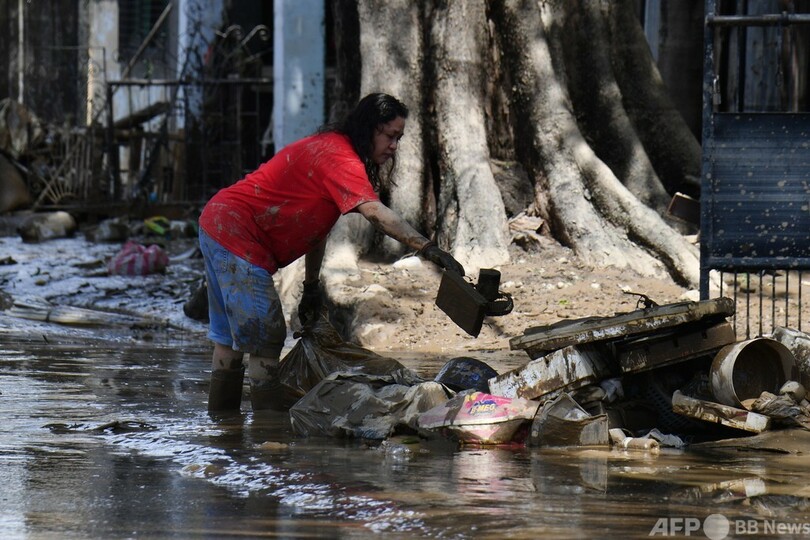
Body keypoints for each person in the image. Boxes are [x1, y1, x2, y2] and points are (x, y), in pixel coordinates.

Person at [198, 92, 465, 413]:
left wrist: (311, 286)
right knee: (266, 338)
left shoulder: (328, 149)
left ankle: (221, 428)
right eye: (390, 136)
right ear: (369, 130)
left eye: (399, 138)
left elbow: (316, 230)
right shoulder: (341, 158)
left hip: (217, 222)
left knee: (227, 341)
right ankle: (266, 438)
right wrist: (427, 247)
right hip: (237, 233)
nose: (395, 146)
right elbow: (375, 213)